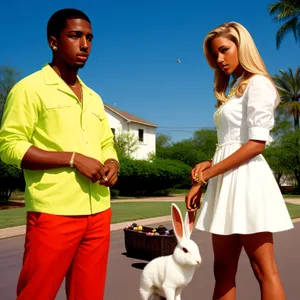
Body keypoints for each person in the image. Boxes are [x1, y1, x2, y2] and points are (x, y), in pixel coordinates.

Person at [0, 8, 119, 300]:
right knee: (36, 294)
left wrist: (112, 161)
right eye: (75, 36)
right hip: (53, 214)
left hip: (99, 213)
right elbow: (9, 145)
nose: (85, 45)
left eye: (89, 38)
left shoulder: (93, 97)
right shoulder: (29, 89)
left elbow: (106, 142)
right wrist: (72, 158)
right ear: (54, 42)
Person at [185, 22, 294, 300]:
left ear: (241, 47)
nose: (219, 59)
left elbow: (256, 144)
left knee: (263, 269)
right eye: (215, 54)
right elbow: (234, 140)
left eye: (224, 50)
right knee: (222, 270)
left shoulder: (258, 84)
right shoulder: (233, 90)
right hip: (225, 182)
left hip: (248, 182)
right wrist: (210, 163)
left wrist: (205, 178)